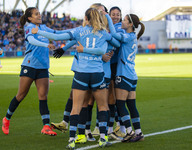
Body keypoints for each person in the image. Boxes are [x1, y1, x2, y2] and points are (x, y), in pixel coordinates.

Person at [32, 7, 115, 149]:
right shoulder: (103, 33)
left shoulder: (78, 31)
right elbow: (112, 45)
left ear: (86, 18)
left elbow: (58, 36)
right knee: (103, 106)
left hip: (81, 73)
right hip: (97, 73)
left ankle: (72, 140)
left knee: (76, 107)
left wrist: (38, 31)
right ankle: (103, 138)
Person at [1, 7, 57, 136]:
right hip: (30, 65)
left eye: (39, 13)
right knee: (21, 95)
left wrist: (75, 33)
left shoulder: (43, 28)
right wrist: (46, 45)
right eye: (36, 14)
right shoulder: (29, 27)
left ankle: (46, 126)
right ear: (29, 18)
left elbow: (57, 33)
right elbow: (31, 40)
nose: (39, 15)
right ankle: (7, 119)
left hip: (43, 67)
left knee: (43, 97)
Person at [105, 12, 145, 142]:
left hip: (123, 74)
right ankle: (138, 132)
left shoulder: (127, 36)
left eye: (125, 20)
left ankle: (129, 131)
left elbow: (114, 34)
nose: (122, 21)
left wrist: (107, 18)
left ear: (130, 24)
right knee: (131, 105)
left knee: (120, 104)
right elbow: (116, 40)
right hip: (132, 75)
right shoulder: (132, 37)